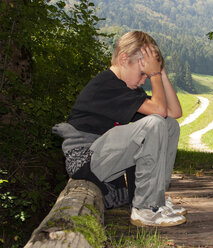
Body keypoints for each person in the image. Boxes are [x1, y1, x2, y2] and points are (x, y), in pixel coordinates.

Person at [52, 31, 187, 227]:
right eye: (143, 74)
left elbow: (173, 112)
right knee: (155, 122)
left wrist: (160, 71)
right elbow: (158, 111)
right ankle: (145, 209)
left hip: (105, 157)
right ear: (124, 59)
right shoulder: (107, 85)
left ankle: (156, 200)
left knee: (168, 126)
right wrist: (155, 74)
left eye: (147, 75)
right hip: (86, 158)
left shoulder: (127, 87)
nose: (144, 80)